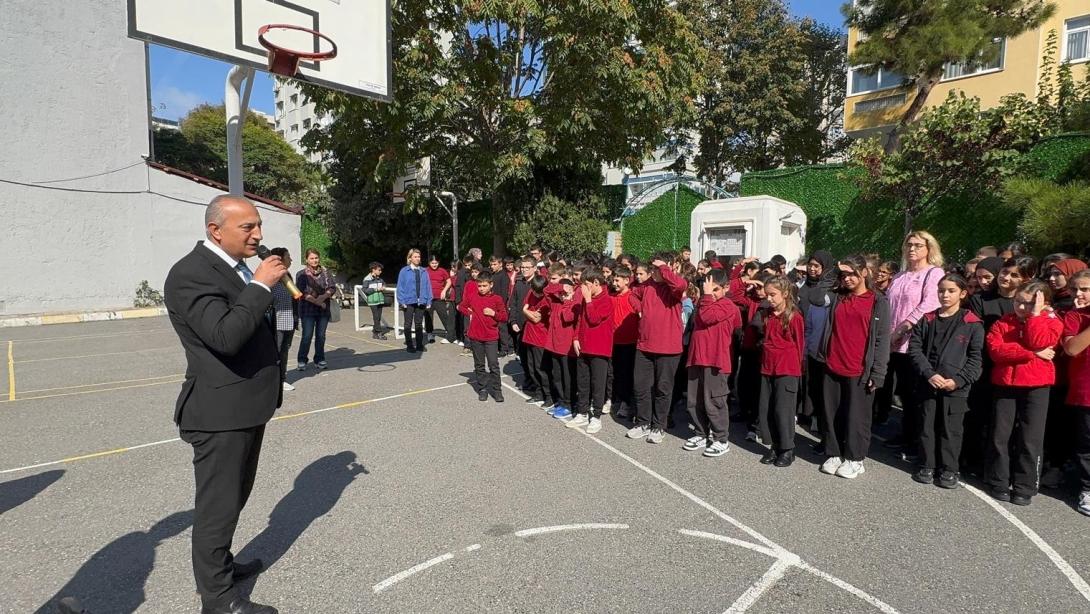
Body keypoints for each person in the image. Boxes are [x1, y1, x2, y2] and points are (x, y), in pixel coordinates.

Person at [163, 195, 284, 614]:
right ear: (215, 230)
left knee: (235, 498)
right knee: (217, 508)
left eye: (258, 225)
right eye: (247, 227)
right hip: (220, 413)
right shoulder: (190, 275)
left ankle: (222, 567)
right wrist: (260, 286)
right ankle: (217, 601)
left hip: (246, 406)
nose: (258, 234)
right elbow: (225, 336)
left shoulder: (233, 267)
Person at [985, 281, 1063, 506]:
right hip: (1006, 384)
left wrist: (1035, 316)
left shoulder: (1051, 321)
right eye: (1018, 302)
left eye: (1028, 304)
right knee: (1000, 434)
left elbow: (1039, 340)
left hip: (1036, 385)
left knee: (1030, 438)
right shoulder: (1003, 322)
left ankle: (1025, 485)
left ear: (1042, 304)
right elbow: (997, 351)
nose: (1021, 308)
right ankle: (998, 479)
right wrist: (1032, 354)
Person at [907, 274, 985, 489]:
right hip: (928, 383)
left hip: (955, 388)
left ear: (962, 293)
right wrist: (929, 373)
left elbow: (976, 359)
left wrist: (958, 380)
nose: (945, 295)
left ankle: (949, 469)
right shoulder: (928, 319)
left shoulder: (972, 323)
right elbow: (915, 350)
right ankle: (927, 465)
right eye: (941, 290)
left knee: (951, 430)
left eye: (951, 291)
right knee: (926, 426)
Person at [817, 255, 891, 480]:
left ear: (865, 273)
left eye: (852, 273)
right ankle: (834, 453)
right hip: (832, 363)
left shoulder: (878, 302)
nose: (847, 278)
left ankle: (855, 458)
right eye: (844, 274)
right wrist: (835, 272)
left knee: (857, 417)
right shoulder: (837, 296)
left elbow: (882, 339)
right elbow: (815, 293)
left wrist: (878, 372)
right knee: (832, 413)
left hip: (859, 369)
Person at [882, 231, 944, 457]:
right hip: (893, 344)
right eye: (909, 245)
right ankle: (906, 434)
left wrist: (902, 328)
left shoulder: (934, 274)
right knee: (904, 392)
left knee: (916, 394)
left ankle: (917, 439)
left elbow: (929, 304)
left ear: (929, 248)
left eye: (918, 245)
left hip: (914, 343)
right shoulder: (899, 276)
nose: (912, 249)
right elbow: (889, 305)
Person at [626, 255, 688, 443]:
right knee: (641, 386)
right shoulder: (647, 286)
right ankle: (643, 423)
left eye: (657, 269)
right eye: (653, 269)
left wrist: (665, 269)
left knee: (663, 388)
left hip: (668, 348)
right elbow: (632, 294)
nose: (654, 272)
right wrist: (639, 309)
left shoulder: (673, 288)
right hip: (645, 344)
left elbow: (680, 286)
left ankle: (659, 426)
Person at [682, 269, 742, 457]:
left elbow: (709, 317)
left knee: (714, 401)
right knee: (694, 400)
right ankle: (701, 432)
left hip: (716, 361)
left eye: (715, 289)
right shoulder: (704, 302)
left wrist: (707, 296)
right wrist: (705, 298)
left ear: (725, 288)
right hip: (697, 358)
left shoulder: (728, 305)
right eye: (708, 289)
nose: (711, 293)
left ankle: (720, 438)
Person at [757, 277, 805, 467]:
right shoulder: (768, 315)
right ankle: (775, 445)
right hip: (768, 367)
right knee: (767, 409)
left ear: (785, 294)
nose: (769, 298)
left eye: (773, 294)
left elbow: (799, 344)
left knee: (783, 410)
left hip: (787, 369)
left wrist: (798, 370)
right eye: (767, 294)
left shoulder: (794, 317)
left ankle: (787, 448)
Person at [567, 268, 614, 434]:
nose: (583, 288)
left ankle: (596, 416)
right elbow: (580, 319)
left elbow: (594, 320)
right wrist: (575, 338)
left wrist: (588, 300)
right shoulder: (587, 300)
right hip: (584, 347)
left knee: (598, 384)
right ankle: (582, 412)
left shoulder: (606, 300)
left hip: (600, 350)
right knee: (583, 382)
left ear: (596, 283)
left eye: (586, 285)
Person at [798, 251, 836, 441]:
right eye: (810, 265)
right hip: (807, 337)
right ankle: (808, 413)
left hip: (823, 342)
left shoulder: (830, 292)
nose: (812, 269)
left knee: (822, 385)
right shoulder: (803, 286)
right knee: (808, 381)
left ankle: (819, 419)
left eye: (817, 266)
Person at [1060, 270, 1090, 516]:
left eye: (1085, 289)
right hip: (1085, 390)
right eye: (1075, 290)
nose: (1079, 295)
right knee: (1087, 444)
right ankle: (1087, 490)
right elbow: (1071, 348)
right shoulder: (1074, 317)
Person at [458, 271, 508, 402]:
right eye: (479, 286)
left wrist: (493, 313)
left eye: (484, 285)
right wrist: (469, 312)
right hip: (475, 336)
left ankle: (497, 390)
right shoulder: (473, 297)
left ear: (491, 284)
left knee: (493, 364)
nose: (481, 288)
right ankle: (483, 389)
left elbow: (504, 317)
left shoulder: (497, 299)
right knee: (479, 365)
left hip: (491, 337)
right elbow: (461, 306)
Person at [544, 274, 579, 420]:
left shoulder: (572, 303)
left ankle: (569, 403)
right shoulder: (554, 301)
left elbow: (568, 317)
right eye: (562, 292)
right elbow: (546, 290)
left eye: (567, 291)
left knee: (567, 377)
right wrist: (560, 287)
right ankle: (561, 400)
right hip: (554, 346)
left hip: (566, 348)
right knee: (556, 376)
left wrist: (568, 300)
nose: (563, 294)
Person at [295, 248, 335, 371]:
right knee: (307, 335)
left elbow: (332, 287)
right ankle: (302, 360)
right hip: (308, 309)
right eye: (311, 258)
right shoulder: (301, 274)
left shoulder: (326, 272)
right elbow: (301, 292)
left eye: (316, 258)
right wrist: (318, 302)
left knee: (321, 336)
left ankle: (320, 359)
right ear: (306, 259)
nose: (314, 260)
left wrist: (323, 297)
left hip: (323, 310)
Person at [611, 265, 639, 419]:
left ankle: (626, 403)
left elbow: (641, 315)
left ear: (627, 281)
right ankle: (618, 398)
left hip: (630, 342)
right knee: (615, 373)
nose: (614, 283)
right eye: (613, 279)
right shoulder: (613, 297)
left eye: (617, 280)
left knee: (627, 374)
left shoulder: (632, 297)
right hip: (615, 342)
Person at [521, 275, 554, 407]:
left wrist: (525, 310)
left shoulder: (547, 299)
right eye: (534, 290)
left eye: (539, 291)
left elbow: (536, 319)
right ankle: (539, 392)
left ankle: (549, 396)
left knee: (542, 369)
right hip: (529, 336)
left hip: (541, 338)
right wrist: (527, 311)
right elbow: (527, 309)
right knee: (532, 367)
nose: (536, 293)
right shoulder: (531, 292)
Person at [269, 247, 297, 391]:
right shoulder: (271, 277)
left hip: (289, 320)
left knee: (284, 350)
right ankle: (271, 381)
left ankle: (281, 379)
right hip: (276, 322)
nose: (290, 259)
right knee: (275, 352)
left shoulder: (287, 276)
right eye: (288, 256)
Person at [397, 248, 433, 353]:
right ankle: (409, 345)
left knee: (419, 324)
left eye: (419, 257)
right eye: (415, 257)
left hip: (421, 300)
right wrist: (401, 300)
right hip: (408, 301)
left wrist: (429, 300)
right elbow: (400, 287)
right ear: (410, 258)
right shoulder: (404, 271)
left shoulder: (423, 271)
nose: (418, 259)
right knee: (408, 324)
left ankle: (419, 344)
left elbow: (428, 286)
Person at [426, 254, 453, 343]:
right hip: (428, 298)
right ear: (429, 263)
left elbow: (449, 281)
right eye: (432, 263)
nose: (434, 265)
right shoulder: (425, 271)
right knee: (428, 317)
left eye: (436, 263)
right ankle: (430, 334)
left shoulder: (442, 271)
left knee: (444, 315)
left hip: (439, 298)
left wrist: (444, 290)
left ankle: (450, 334)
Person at [361, 262, 388, 340]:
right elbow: (365, 290)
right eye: (379, 270)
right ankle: (379, 333)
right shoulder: (367, 279)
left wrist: (384, 286)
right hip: (372, 301)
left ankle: (375, 333)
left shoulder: (380, 279)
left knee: (378, 317)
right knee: (376, 317)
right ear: (373, 270)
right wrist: (376, 289)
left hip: (380, 300)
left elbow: (384, 284)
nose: (380, 271)